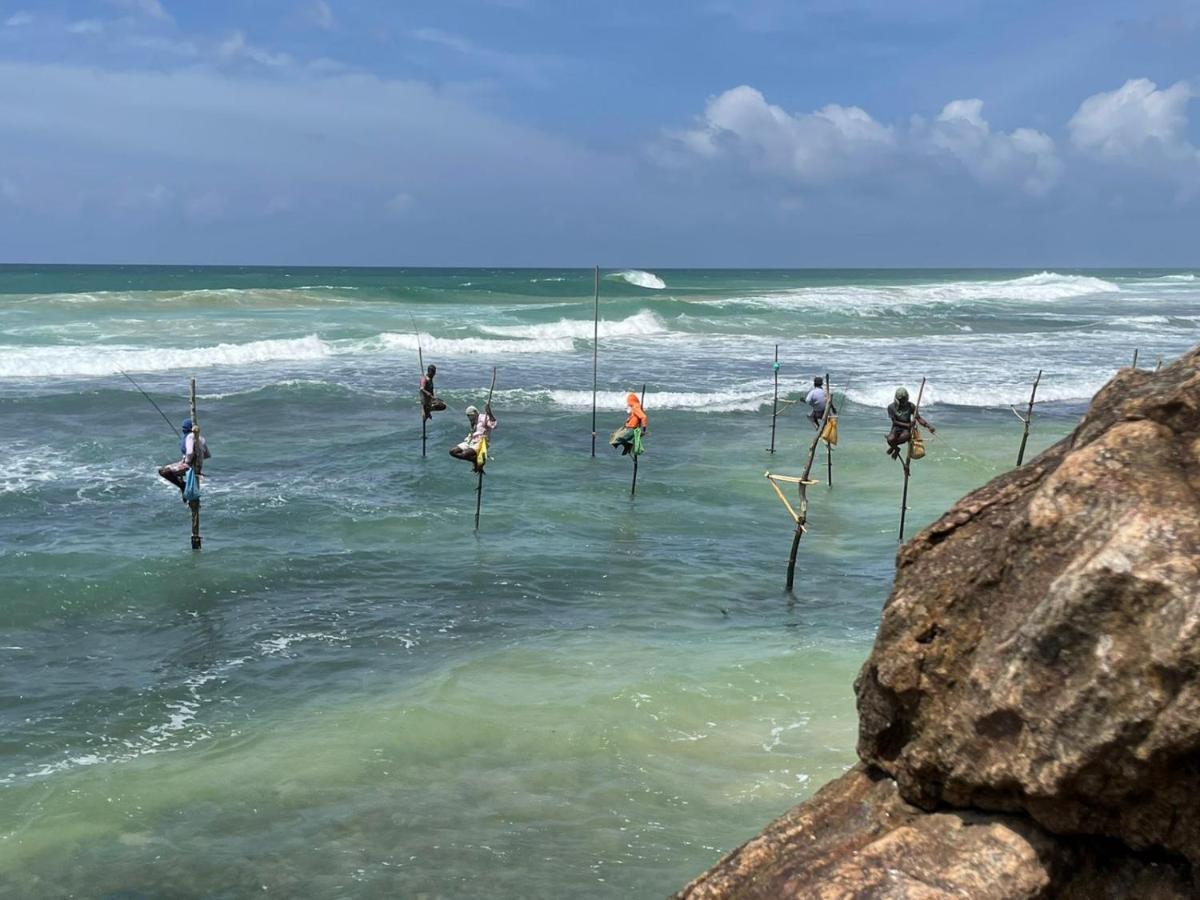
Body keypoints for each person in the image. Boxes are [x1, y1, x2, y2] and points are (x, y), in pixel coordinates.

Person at [158, 418, 211, 501]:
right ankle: (183, 485)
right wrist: (198, 458)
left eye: (184, 428)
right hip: (198, 467)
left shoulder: (190, 436)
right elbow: (207, 455)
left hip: (189, 466)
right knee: (173, 469)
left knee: (163, 471)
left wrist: (187, 461)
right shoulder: (201, 438)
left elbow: (189, 453)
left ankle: (183, 486)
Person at [885, 387, 934, 460]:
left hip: (906, 430)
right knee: (890, 439)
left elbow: (918, 418)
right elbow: (894, 421)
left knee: (903, 438)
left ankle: (893, 447)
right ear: (897, 400)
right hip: (896, 427)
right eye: (902, 401)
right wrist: (908, 424)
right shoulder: (891, 407)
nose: (904, 402)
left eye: (905, 400)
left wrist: (928, 426)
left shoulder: (911, 406)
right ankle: (896, 448)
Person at [449, 403, 497, 472]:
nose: (469, 417)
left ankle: (476, 460)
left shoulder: (484, 418)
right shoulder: (473, 421)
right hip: (471, 441)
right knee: (453, 452)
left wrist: (489, 413)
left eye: (470, 415)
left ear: (475, 413)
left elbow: (494, 425)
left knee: (465, 454)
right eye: (468, 416)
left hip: (481, 442)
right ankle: (474, 459)